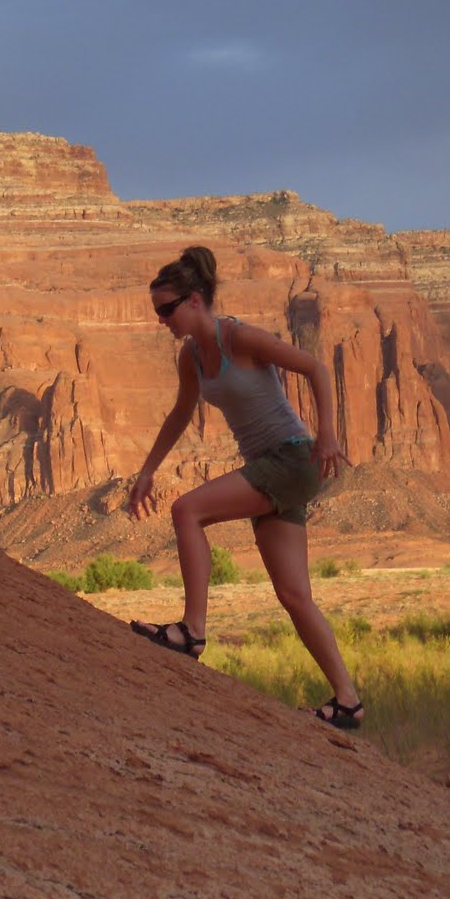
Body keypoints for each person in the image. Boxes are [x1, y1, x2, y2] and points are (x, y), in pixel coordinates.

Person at [127, 246, 364, 730]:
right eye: (157, 312)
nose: (162, 320)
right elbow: (179, 414)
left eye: (167, 309)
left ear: (195, 301)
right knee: (294, 595)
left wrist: (329, 436)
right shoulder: (191, 357)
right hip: (270, 466)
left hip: (292, 458)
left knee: (186, 511)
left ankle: (192, 631)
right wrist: (148, 468)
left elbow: (316, 368)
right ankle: (347, 701)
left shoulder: (239, 336)